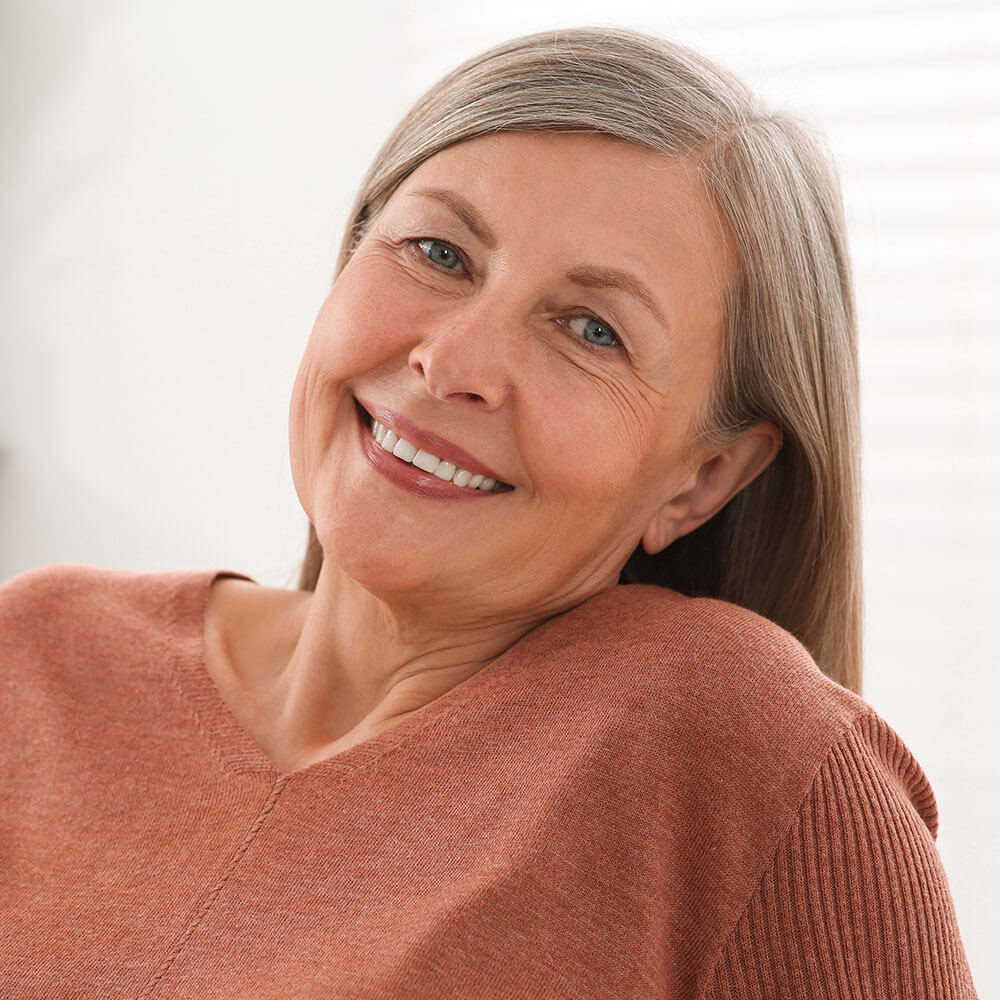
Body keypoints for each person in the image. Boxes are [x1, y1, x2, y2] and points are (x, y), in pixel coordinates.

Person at [0, 26, 978, 999]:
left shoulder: (737, 753)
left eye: (590, 330)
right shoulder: (40, 654)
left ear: (704, 478)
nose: (451, 362)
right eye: (438, 252)